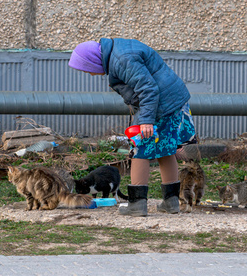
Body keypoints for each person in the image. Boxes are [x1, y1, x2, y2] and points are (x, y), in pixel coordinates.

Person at [68, 38, 196, 217]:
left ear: (93, 61)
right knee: (166, 150)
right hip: (172, 101)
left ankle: (137, 204)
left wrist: (146, 120)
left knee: (139, 149)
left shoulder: (121, 59)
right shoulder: (118, 52)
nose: (89, 74)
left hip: (161, 105)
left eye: (86, 69)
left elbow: (148, 88)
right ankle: (171, 202)